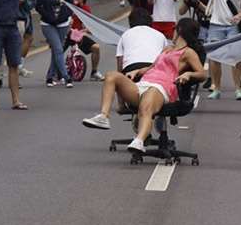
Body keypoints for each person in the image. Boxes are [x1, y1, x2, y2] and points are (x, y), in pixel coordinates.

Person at [81, 18, 206, 154]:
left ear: (180, 30)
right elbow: (152, 67)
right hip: (144, 83)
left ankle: (139, 141)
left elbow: (202, 74)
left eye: (175, 28)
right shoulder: (167, 49)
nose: (172, 31)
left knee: (146, 107)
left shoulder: (188, 52)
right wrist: (137, 71)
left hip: (162, 88)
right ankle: (103, 117)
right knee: (112, 76)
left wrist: (188, 74)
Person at [36, 0, 74, 88]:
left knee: (56, 51)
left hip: (63, 23)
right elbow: (38, 5)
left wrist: (65, 16)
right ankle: (66, 76)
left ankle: (49, 77)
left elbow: (70, 6)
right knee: (58, 48)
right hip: (47, 24)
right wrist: (48, 16)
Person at [65, 0, 104, 81]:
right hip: (66, 33)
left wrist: (86, 30)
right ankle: (53, 73)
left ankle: (94, 72)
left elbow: (88, 24)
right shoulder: (69, 6)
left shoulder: (86, 8)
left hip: (77, 35)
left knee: (96, 47)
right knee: (57, 51)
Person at [16, 0, 36, 78]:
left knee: (25, 40)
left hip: (22, 17)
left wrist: (24, 1)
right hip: (7, 17)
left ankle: (19, 68)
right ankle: (0, 76)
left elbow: (33, 2)